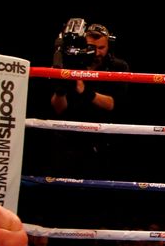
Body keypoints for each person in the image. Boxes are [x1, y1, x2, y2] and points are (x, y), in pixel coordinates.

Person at [48, 21, 130, 179]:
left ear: (109, 47)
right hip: (67, 138)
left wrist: (85, 91)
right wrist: (61, 90)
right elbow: (58, 108)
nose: (97, 53)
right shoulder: (67, 63)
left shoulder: (118, 67)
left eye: (101, 48)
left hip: (101, 141)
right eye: (92, 48)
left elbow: (113, 104)